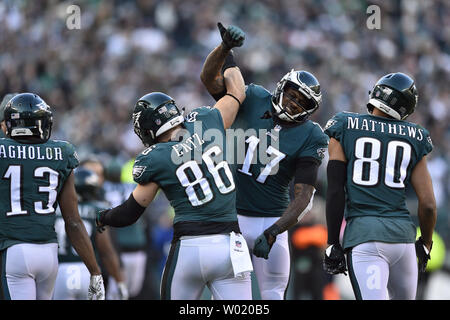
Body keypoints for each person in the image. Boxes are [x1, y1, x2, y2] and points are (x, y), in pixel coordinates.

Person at [96, 23, 253, 300]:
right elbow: (236, 91)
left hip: (190, 246)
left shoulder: (155, 158)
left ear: (147, 128)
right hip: (231, 245)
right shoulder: (206, 121)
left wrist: (101, 217)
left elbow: (129, 213)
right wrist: (227, 53)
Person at [200, 23, 329, 299]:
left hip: (271, 219)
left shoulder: (311, 136)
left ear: (309, 111)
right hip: (230, 217)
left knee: (273, 294)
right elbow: (209, 78)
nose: (293, 103)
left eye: (301, 102)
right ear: (281, 87)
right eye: (291, 95)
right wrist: (224, 49)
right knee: (230, 297)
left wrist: (274, 231)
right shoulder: (255, 97)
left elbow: (303, 195)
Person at [322, 72, 437, 300]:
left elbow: (335, 191)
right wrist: (425, 243)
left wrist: (332, 242)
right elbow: (429, 205)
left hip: (365, 237)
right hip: (403, 239)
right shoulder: (415, 135)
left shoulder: (345, 124)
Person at [0, 93, 104, 300]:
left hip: (14, 251)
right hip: (49, 254)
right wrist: (95, 271)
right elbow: (73, 221)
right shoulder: (61, 152)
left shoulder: (3, 150)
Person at [53, 168, 128, 300]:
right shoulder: (98, 209)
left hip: (59, 271)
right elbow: (106, 252)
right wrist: (119, 281)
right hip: (88, 272)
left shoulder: (56, 208)